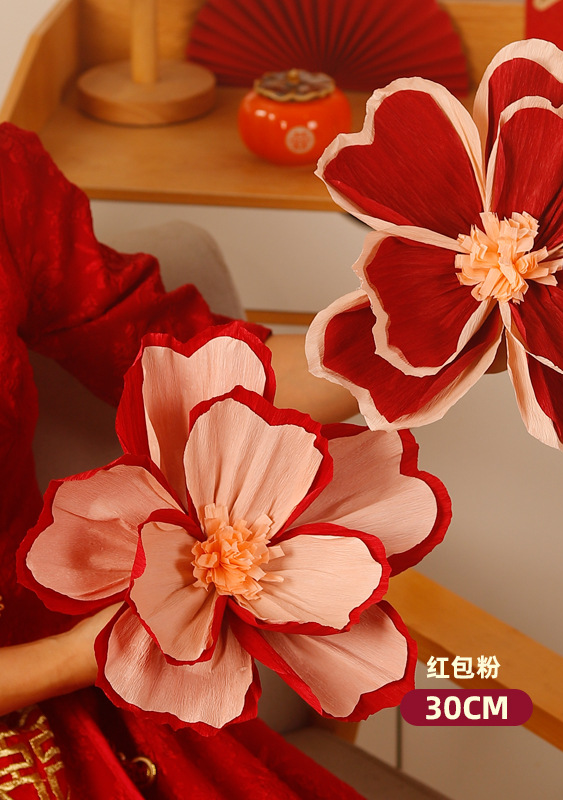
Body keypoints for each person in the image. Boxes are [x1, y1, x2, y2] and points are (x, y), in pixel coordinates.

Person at [0, 122, 361, 799]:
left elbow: (194, 366)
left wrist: (421, 340)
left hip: (72, 667)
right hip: (67, 664)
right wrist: (79, 656)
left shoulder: (5, 181)